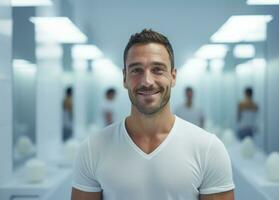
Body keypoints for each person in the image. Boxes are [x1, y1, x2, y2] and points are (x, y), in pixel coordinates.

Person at [71, 29, 235, 200]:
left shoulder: (209, 149)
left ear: (173, 77)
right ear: (124, 78)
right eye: (136, 70)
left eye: (157, 70)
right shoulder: (92, 149)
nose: (147, 81)